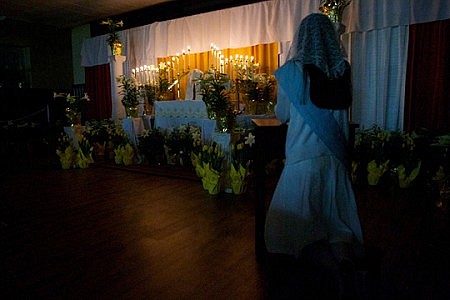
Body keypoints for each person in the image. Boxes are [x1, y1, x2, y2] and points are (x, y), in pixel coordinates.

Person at [264, 13, 363, 267]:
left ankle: (320, 274)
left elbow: (282, 114)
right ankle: (344, 267)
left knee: (299, 229)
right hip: (335, 159)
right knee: (337, 224)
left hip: (302, 158)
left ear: (301, 38)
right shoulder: (342, 69)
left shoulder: (292, 72)